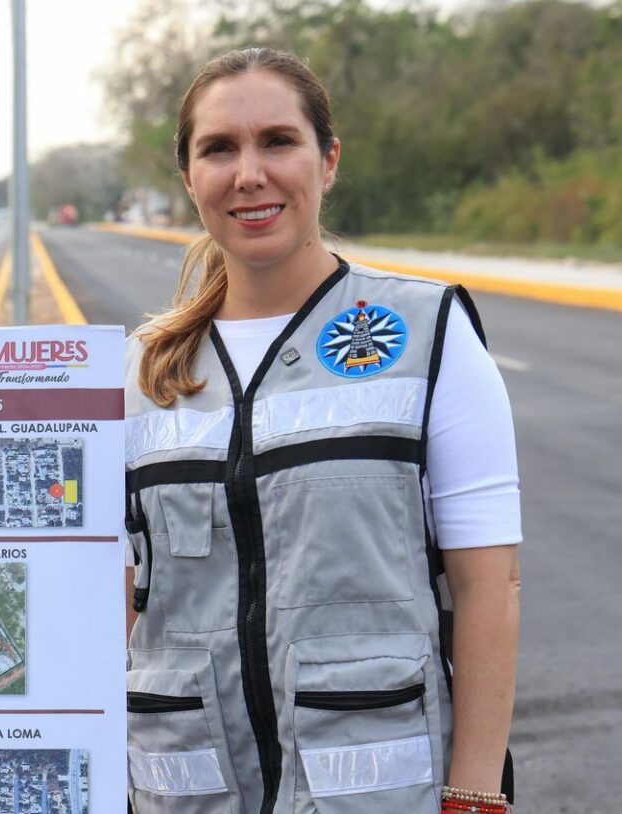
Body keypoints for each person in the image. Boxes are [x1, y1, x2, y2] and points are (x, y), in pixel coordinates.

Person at [123, 48, 521, 814]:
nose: (250, 174)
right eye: (219, 149)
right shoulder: (139, 373)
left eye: (278, 141)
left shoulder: (427, 332)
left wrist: (475, 797)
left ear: (328, 160)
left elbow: (488, 587)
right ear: (188, 177)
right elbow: (118, 602)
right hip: (186, 791)